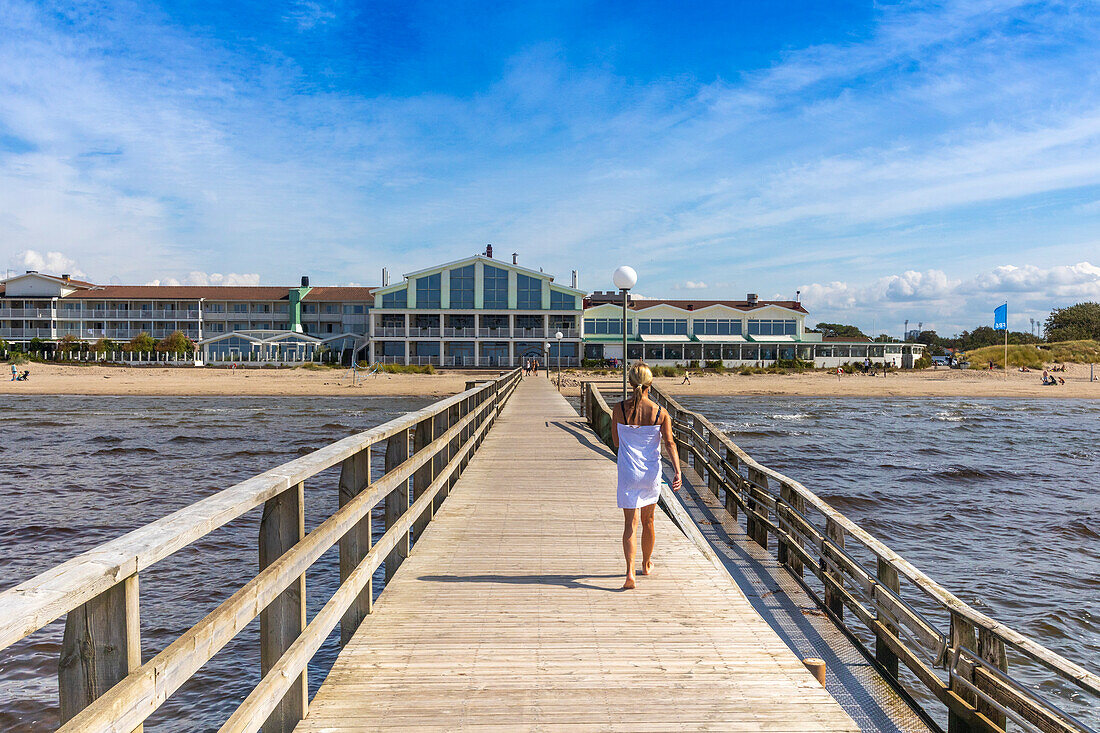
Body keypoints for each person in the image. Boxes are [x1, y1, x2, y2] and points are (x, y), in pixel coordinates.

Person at [611, 362, 682, 590]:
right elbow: (670, 443)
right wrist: (678, 471)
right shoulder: (660, 412)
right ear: (650, 385)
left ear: (630, 383)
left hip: (628, 472)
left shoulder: (619, 409)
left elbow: (616, 442)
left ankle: (630, 572)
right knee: (648, 521)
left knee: (630, 524)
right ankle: (646, 563)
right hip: (650, 473)